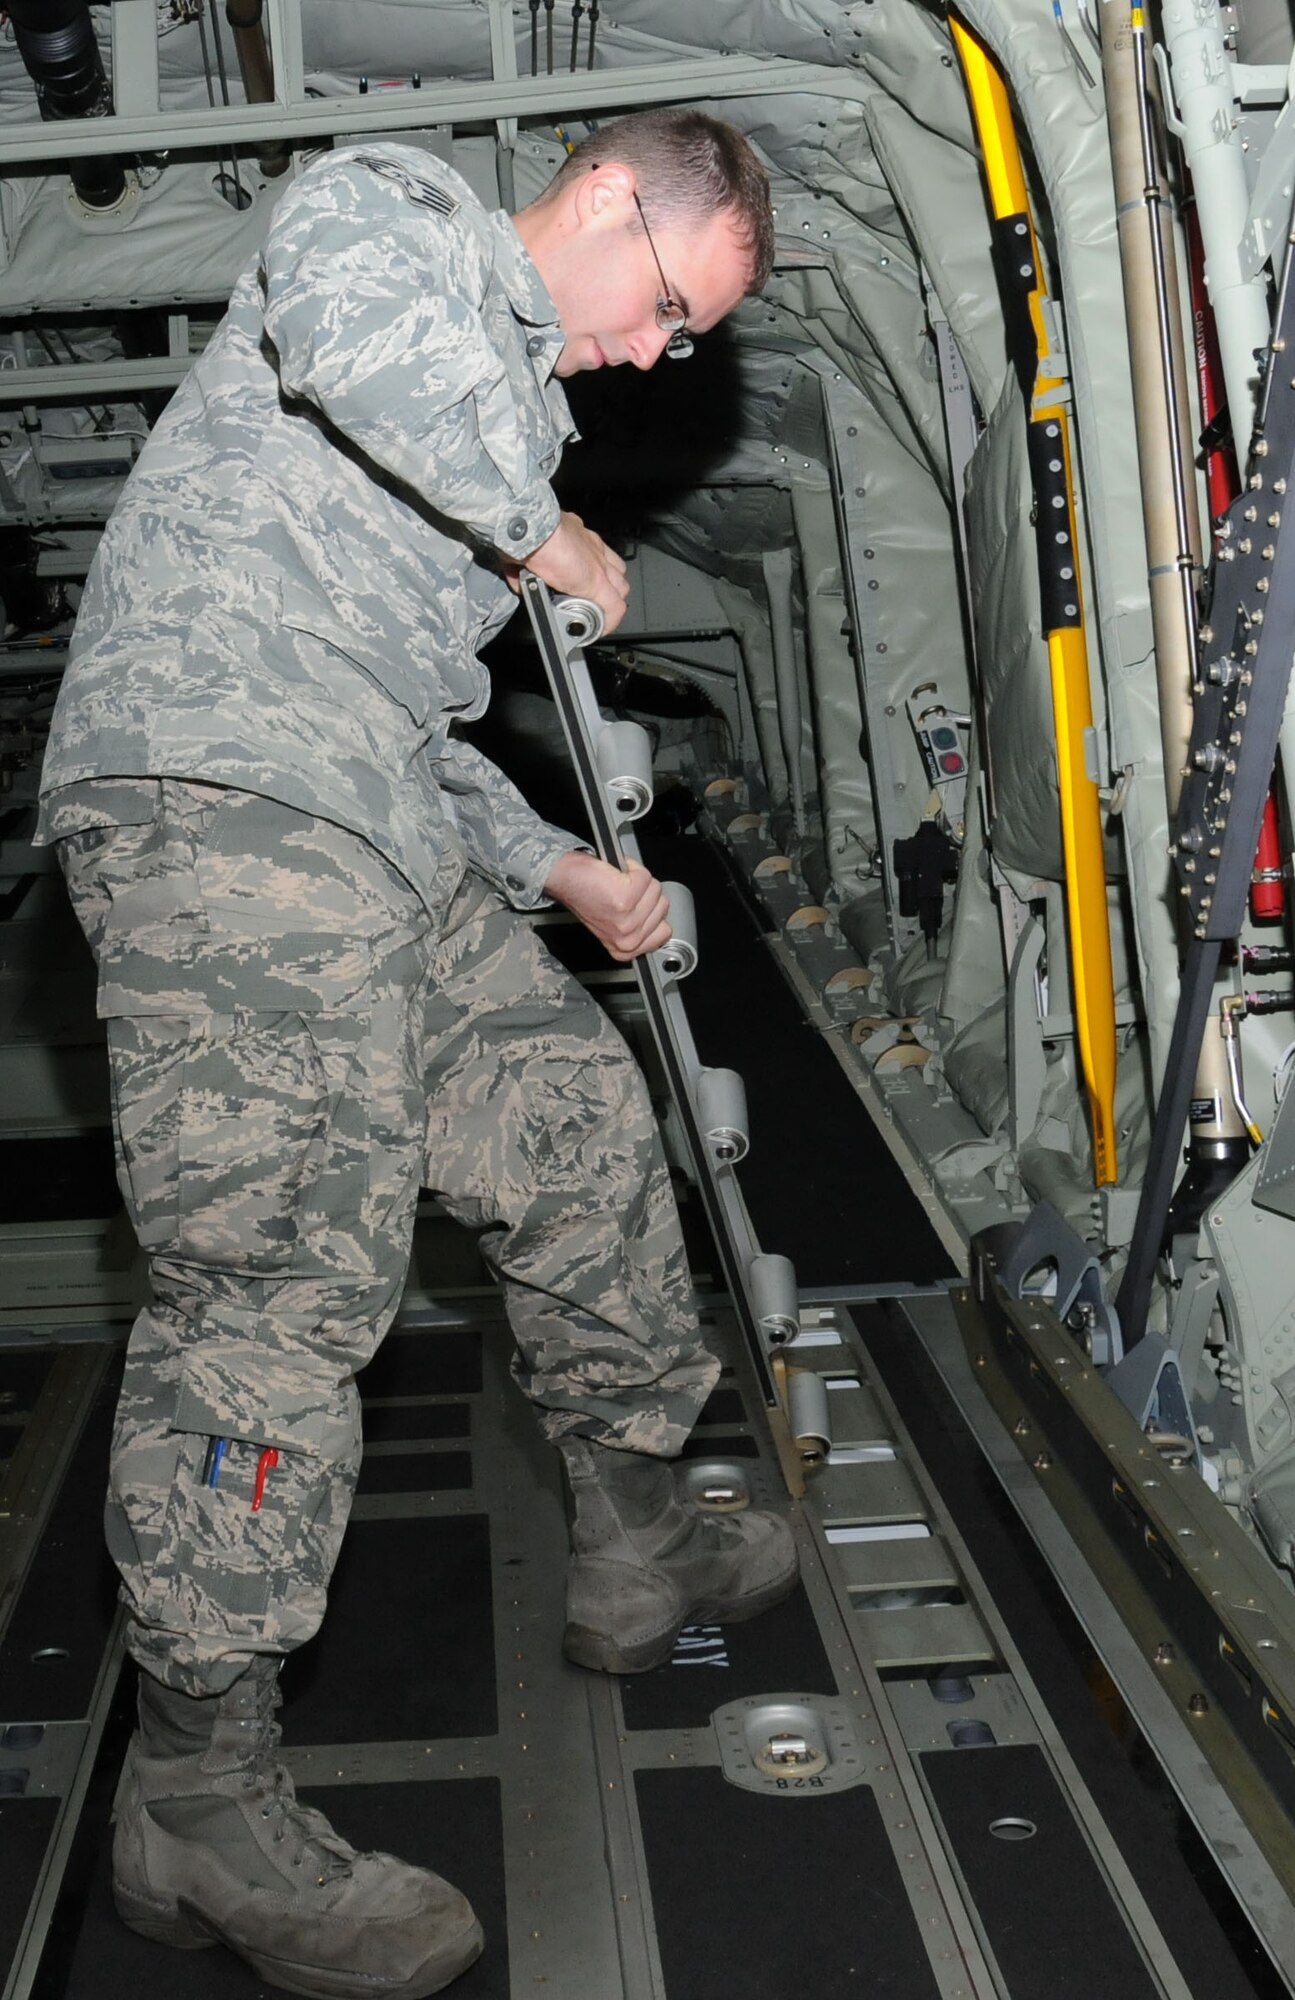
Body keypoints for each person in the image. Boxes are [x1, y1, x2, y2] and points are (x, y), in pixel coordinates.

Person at [36, 110, 797, 1999]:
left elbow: (413, 718)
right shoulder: (390, 219)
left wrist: (554, 867)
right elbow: (350, 341)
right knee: (278, 1281)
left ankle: (635, 1530)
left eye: (685, 342)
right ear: (606, 198)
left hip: (369, 818)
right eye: (668, 309)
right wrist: (540, 528)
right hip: (219, 802)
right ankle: (197, 1797)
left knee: (577, 1121)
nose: (655, 356)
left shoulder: (501, 426)